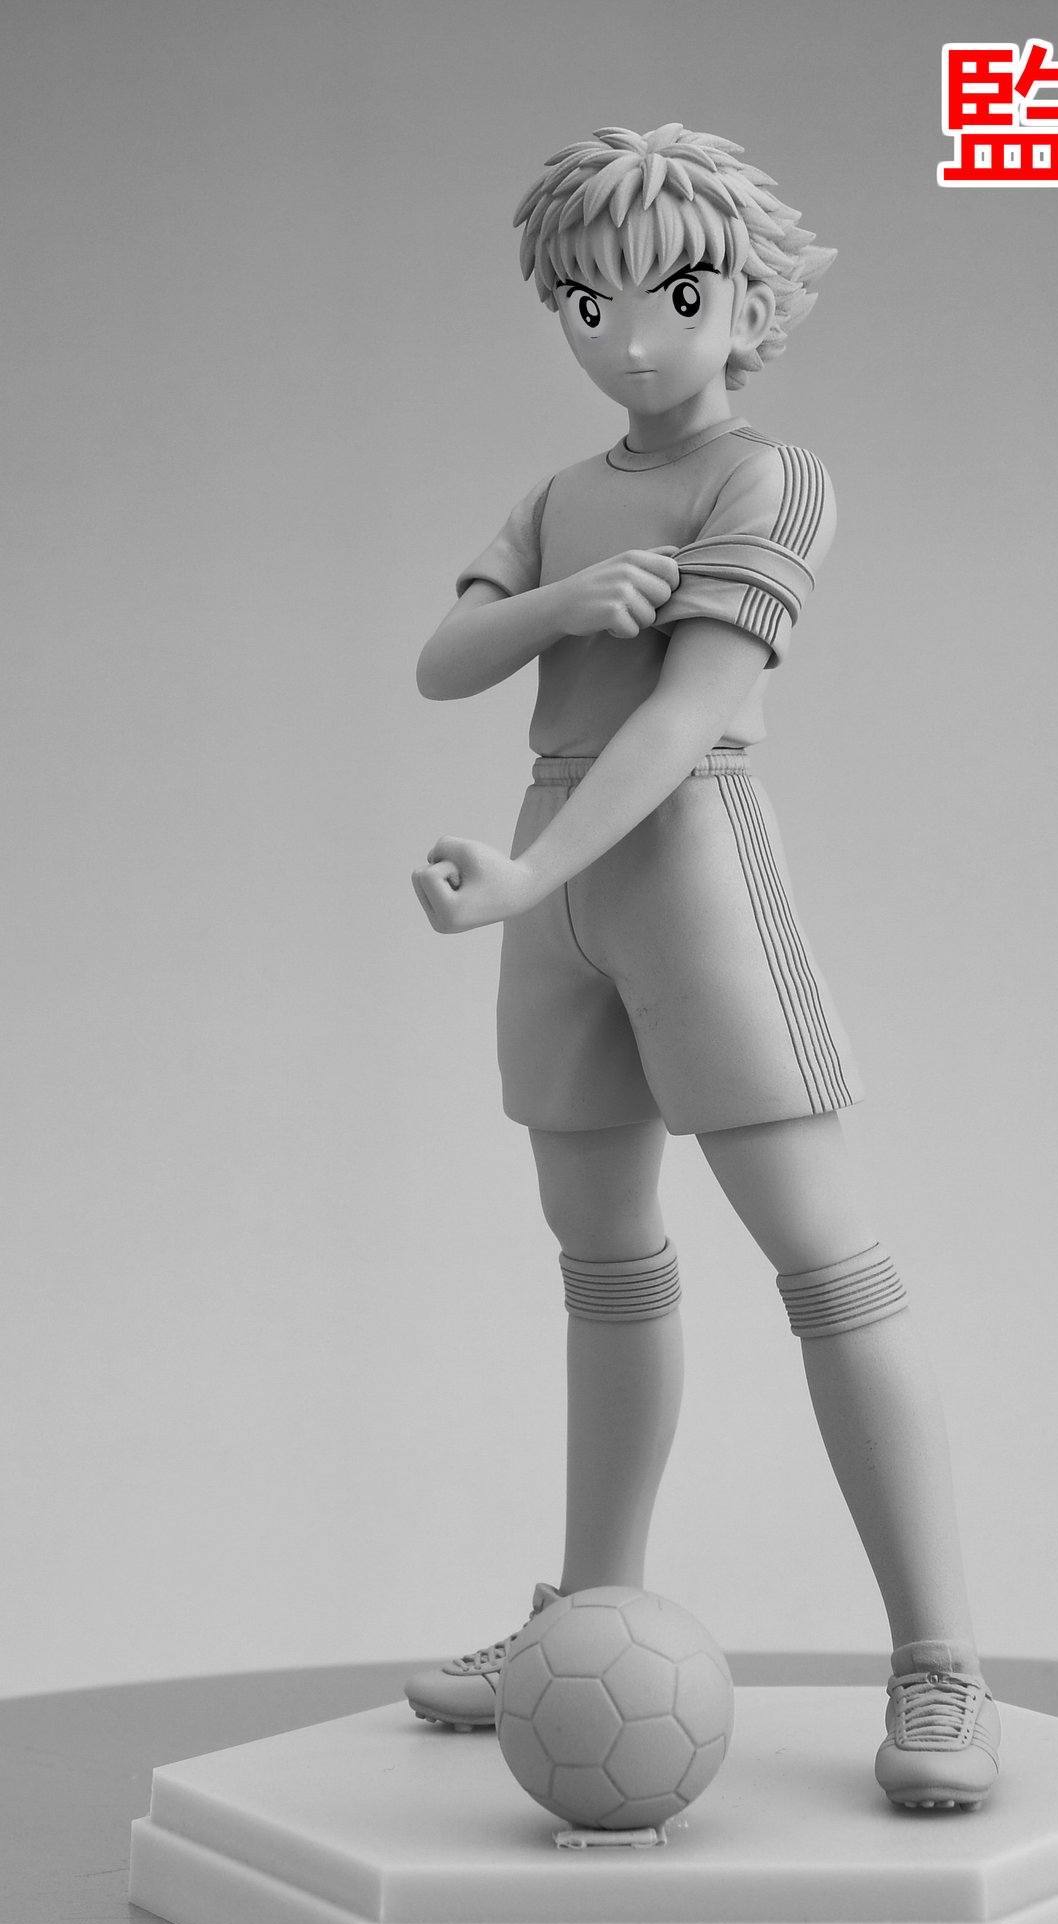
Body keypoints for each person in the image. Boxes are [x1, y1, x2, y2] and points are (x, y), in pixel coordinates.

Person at [407, 125, 999, 1809]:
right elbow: (444, 657)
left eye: (674, 295)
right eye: (586, 303)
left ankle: (940, 1658)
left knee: (825, 1260)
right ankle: (584, 1617)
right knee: (600, 1259)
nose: (629, 337)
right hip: (551, 879)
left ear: (749, 301)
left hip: (685, 871)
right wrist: (559, 604)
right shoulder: (556, 499)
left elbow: (683, 715)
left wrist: (530, 871)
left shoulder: (771, 479)